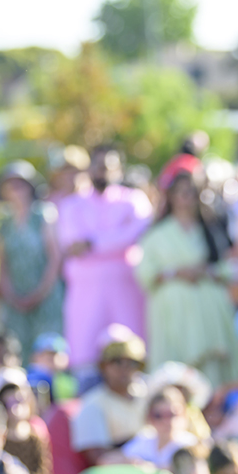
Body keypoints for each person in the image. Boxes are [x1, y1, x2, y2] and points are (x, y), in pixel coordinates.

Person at [135, 170, 238, 387]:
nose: (186, 198)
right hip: (173, 313)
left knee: (211, 367)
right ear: (171, 196)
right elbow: (144, 273)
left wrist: (206, 272)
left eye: (192, 192)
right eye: (181, 192)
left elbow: (229, 266)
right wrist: (176, 273)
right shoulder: (156, 234)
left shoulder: (210, 229)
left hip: (209, 310)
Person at [57, 145, 153, 385]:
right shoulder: (72, 205)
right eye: (99, 166)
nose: (104, 172)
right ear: (89, 169)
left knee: (131, 356)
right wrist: (114, 240)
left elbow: (139, 231)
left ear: (119, 170)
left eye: (110, 167)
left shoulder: (134, 200)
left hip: (126, 291)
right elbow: (72, 244)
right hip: (85, 296)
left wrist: (94, 242)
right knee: (87, 366)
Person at [0, 161, 64, 359]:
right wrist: (10, 294)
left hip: (46, 296)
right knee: (17, 350)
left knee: (48, 350)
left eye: (21, 184)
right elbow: (2, 263)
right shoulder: (4, 222)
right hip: (15, 299)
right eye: (11, 184)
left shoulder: (43, 214)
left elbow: (54, 258)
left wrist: (39, 293)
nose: (16, 189)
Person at [69, 325, 149, 466]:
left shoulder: (150, 395)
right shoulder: (92, 405)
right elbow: (100, 458)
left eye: (132, 363)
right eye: (117, 362)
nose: (125, 369)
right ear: (104, 366)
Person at [101, 386, 200, 470]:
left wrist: (148, 467)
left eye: (172, 414)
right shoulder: (145, 439)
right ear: (149, 417)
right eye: (158, 415)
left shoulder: (189, 444)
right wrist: (131, 463)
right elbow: (106, 461)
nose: (166, 421)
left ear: (184, 414)